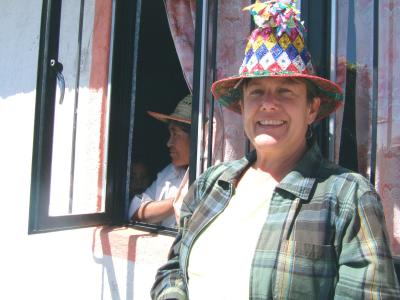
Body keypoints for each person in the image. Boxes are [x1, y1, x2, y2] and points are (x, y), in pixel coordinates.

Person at [151, 1, 400, 299]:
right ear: (242, 106)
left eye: (285, 90)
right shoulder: (210, 184)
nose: (269, 103)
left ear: (311, 108)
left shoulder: (347, 197)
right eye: (256, 91)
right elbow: (174, 269)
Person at [128, 95, 191, 227]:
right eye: (170, 134)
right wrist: (178, 201)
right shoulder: (169, 172)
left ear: (196, 138)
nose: (169, 143)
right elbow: (135, 212)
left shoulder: (210, 175)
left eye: (176, 135)